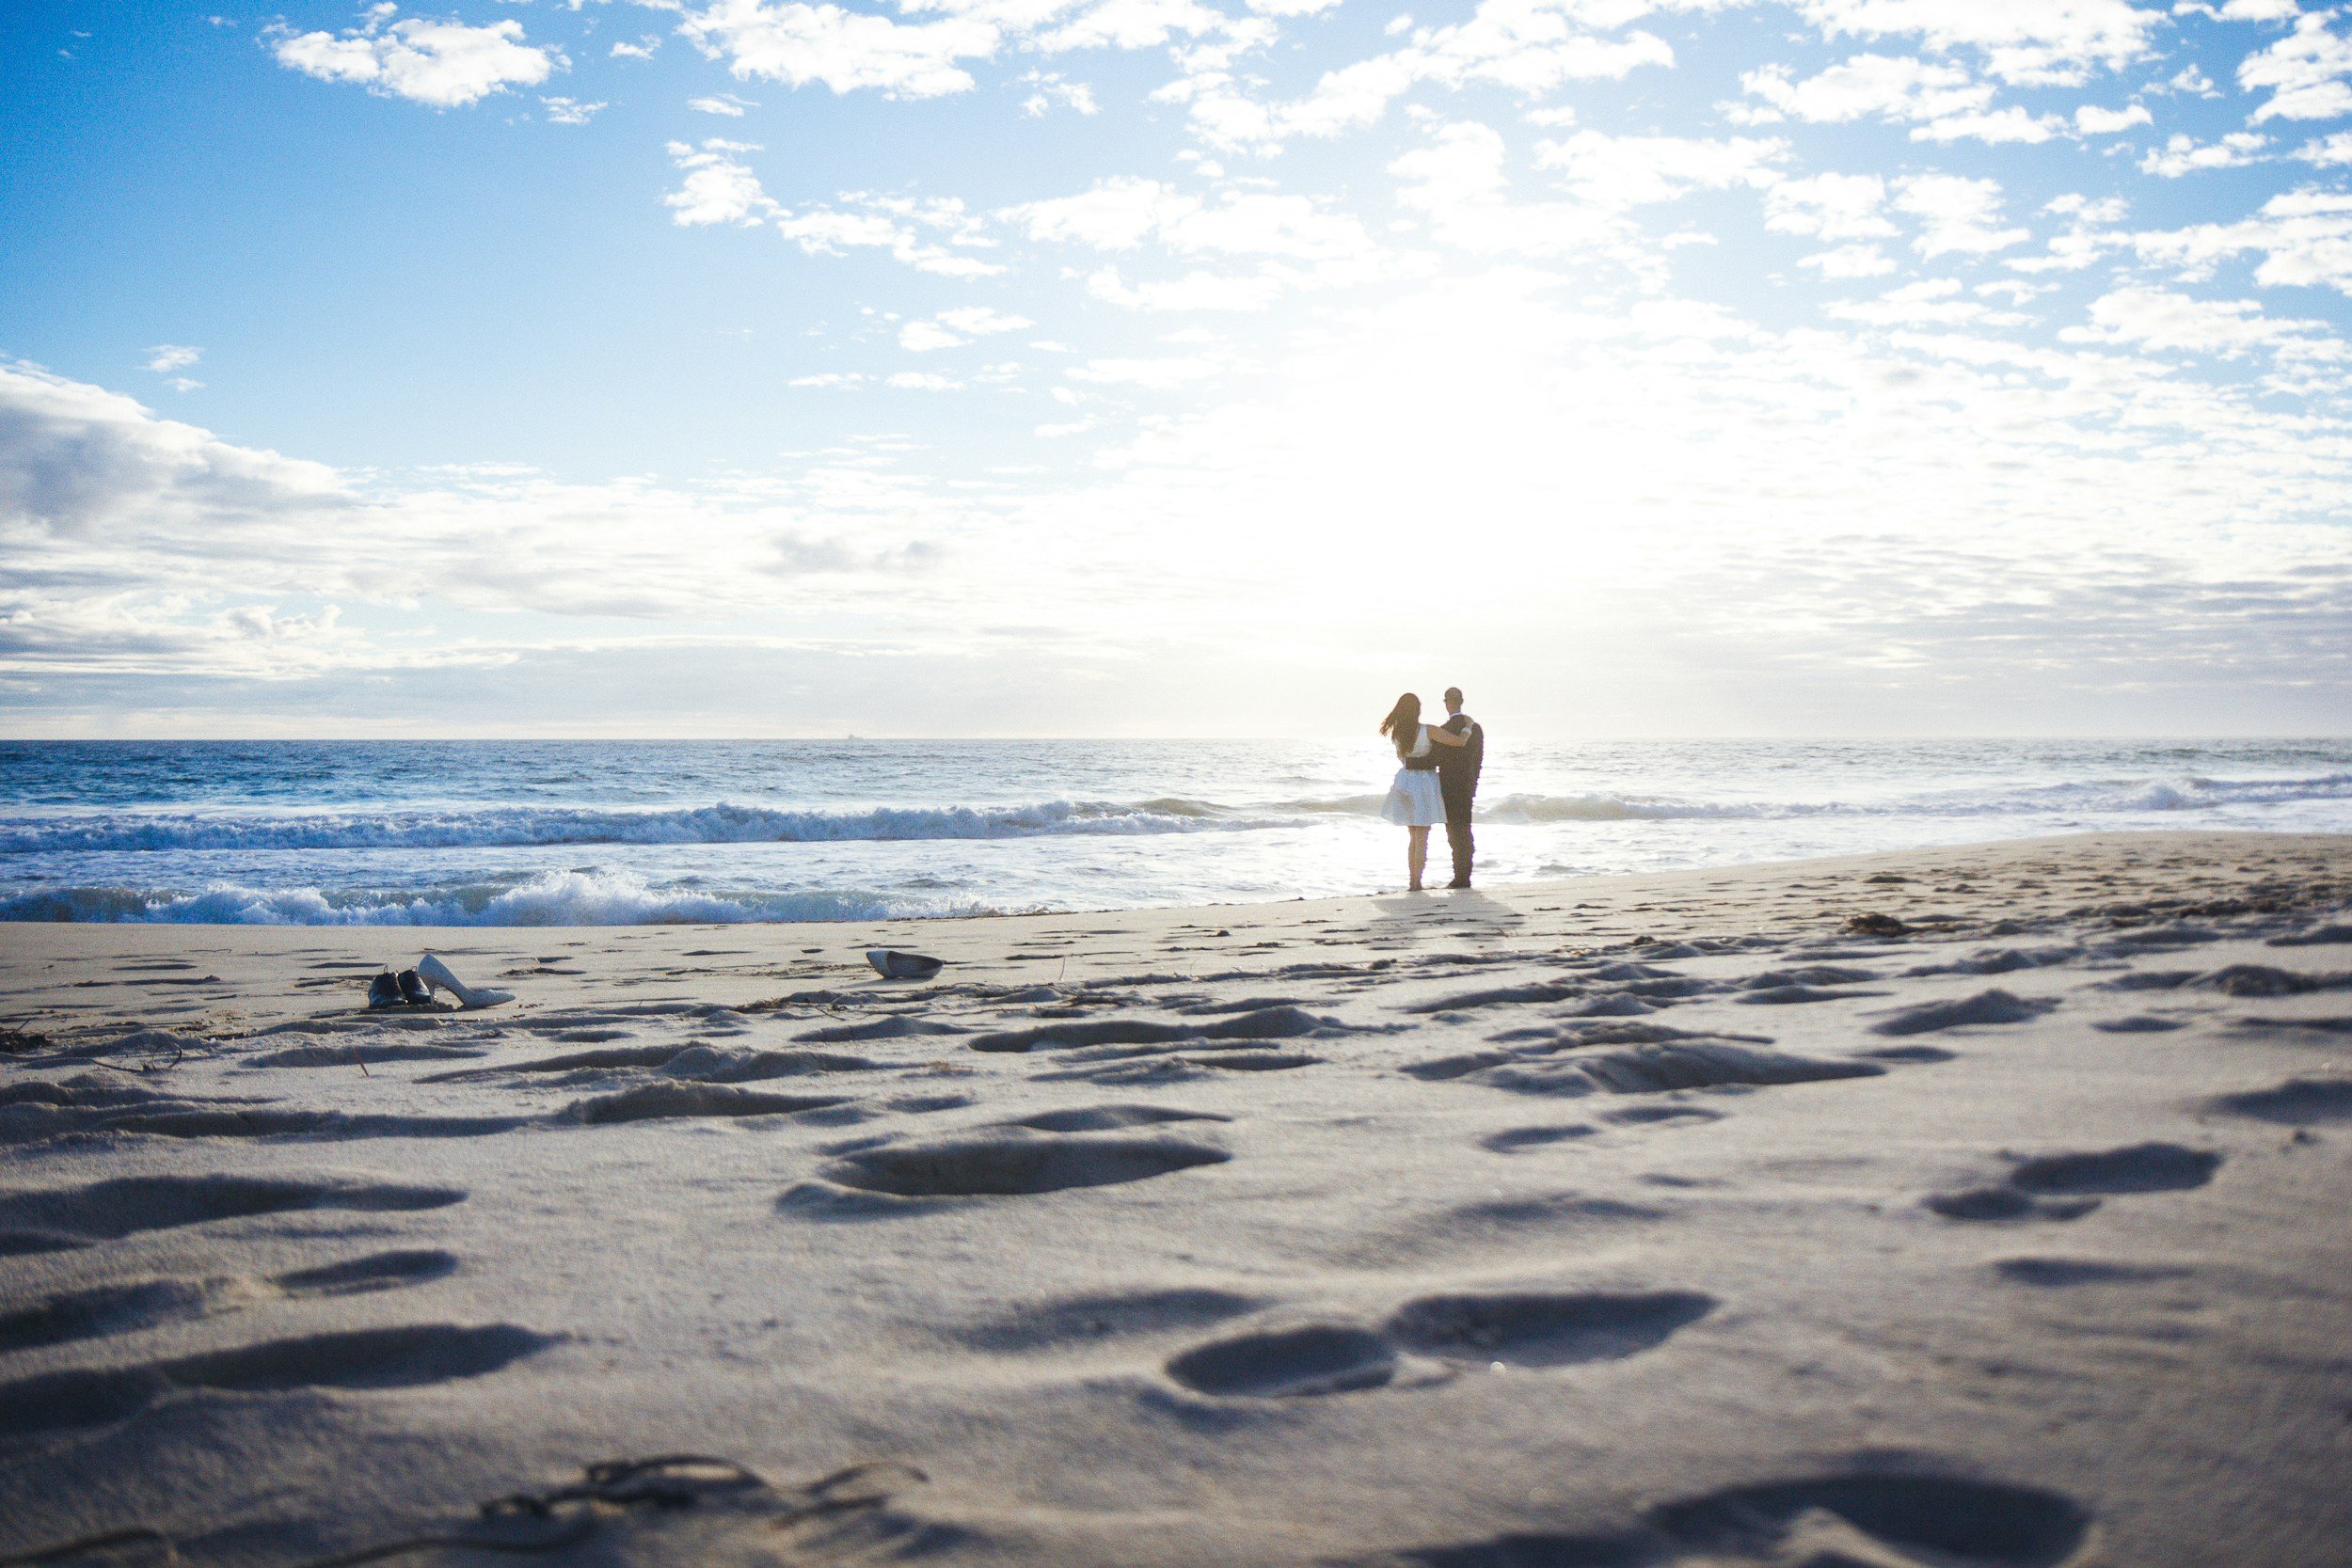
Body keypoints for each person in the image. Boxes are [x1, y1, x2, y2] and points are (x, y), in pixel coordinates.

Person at [1378, 692, 1473, 892]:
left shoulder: (1398, 734)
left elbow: (1402, 758)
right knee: (1422, 835)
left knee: (1413, 835)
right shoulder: (1428, 730)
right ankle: (1417, 883)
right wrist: (1468, 727)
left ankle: (1412, 881)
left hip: (1405, 781)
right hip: (1424, 782)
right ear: (1417, 710)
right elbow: (1459, 742)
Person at [1435, 686, 1484, 888]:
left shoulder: (1442, 730)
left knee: (1454, 832)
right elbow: (1478, 759)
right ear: (1461, 702)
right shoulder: (1475, 728)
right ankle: (1466, 875)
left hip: (1448, 785)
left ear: (1446, 703)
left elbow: (1436, 759)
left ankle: (1459, 876)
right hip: (1466, 784)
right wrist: (1474, 782)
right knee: (1465, 829)